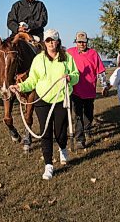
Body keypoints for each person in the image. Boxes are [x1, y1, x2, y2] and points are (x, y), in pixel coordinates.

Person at [10, 29, 79, 180]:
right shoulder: (38, 59)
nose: (51, 43)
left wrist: (69, 78)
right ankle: (48, 165)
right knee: (45, 132)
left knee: (60, 131)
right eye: (48, 40)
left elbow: (76, 76)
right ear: (44, 42)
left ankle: (62, 148)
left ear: (58, 41)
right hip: (42, 99)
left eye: (53, 40)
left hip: (61, 99)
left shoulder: (67, 57)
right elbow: (32, 80)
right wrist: (20, 87)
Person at [67, 31, 109, 149]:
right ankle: (80, 139)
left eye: (84, 42)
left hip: (90, 90)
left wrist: (104, 85)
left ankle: (87, 128)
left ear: (87, 42)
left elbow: (100, 71)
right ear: (76, 42)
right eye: (79, 42)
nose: (81, 44)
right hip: (75, 90)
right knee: (78, 114)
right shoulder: (69, 53)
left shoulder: (93, 54)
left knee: (89, 114)